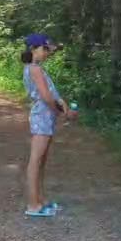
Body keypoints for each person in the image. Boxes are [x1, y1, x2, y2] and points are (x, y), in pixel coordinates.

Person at [21, 33, 75, 218]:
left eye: (48, 49)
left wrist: (63, 108)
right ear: (33, 49)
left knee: (41, 160)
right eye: (44, 49)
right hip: (42, 117)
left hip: (46, 117)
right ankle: (33, 204)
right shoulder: (34, 69)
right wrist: (61, 112)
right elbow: (45, 96)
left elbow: (53, 94)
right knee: (35, 161)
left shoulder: (37, 68)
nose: (47, 53)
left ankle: (40, 200)